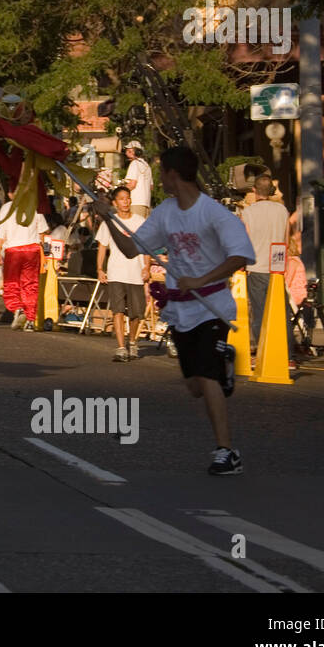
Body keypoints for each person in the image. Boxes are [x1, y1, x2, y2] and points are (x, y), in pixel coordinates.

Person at [94, 145, 254, 475]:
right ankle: (224, 365)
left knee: (206, 378)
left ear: (172, 174)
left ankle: (226, 451)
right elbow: (128, 247)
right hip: (180, 312)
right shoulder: (165, 213)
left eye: (162, 173)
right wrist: (107, 216)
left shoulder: (213, 213)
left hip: (213, 308)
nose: (159, 179)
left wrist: (202, 278)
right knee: (195, 387)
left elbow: (240, 255)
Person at [240, 175, 297, 366]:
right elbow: (286, 239)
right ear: (271, 191)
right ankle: (288, 356)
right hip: (277, 266)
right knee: (281, 312)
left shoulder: (248, 212)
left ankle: (262, 352)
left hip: (256, 266)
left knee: (259, 312)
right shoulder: (282, 210)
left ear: (254, 191)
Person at [95, 186, 150, 360]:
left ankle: (132, 341)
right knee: (117, 310)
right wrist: (100, 269)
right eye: (121, 199)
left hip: (136, 272)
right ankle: (120, 347)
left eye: (127, 198)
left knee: (136, 313)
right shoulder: (109, 222)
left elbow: (147, 247)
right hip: (116, 272)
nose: (125, 202)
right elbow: (102, 247)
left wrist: (146, 267)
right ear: (115, 203)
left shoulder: (140, 221)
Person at [0, 187, 48, 329]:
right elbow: (43, 232)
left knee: (11, 284)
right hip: (32, 250)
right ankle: (30, 320)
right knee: (31, 285)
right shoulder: (34, 206)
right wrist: (45, 252)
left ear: (10, 193)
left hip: (13, 251)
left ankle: (17, 308)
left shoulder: (6, 208)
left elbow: (1, 233)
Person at [123, 141, 154, 217]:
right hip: (146, 203)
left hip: (136, 202)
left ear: (134, 151)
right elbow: (151, 187)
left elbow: (132, 184)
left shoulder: (134, 164)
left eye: (128, 150)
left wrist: (120, 192)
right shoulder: (147, 166)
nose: (126, 152)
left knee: (135, 227)